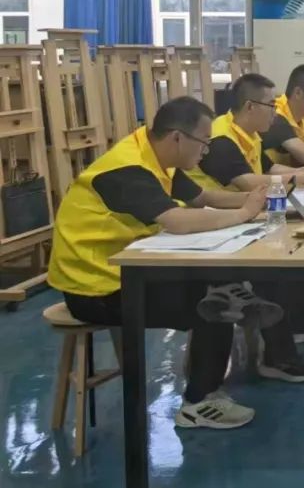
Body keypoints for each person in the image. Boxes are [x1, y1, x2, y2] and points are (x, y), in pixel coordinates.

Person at [47, 97, 282, 429]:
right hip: (95, 288)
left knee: (219, 287)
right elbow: (177, 220)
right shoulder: (127, 169)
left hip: (127, 271)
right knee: (211, 304)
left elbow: (203, 198)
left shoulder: (156, 157)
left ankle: (233, 312)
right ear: (177, 138)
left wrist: (256, 199)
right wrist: (244, 213)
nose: (206, 151)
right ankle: (198, 403)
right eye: (204, 142)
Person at [189, 73, 304, 349]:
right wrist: (299, 176)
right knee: (277, 268)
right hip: (218, 219)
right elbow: (246, 182)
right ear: (250, 107)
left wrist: (302, 173)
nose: (275, 111)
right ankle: (281, 351)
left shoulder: (249, 134)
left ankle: (300, 325)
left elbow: (268, 169)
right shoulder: (221, 139)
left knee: (300, 241)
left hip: (246, 212)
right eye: (271, 105)